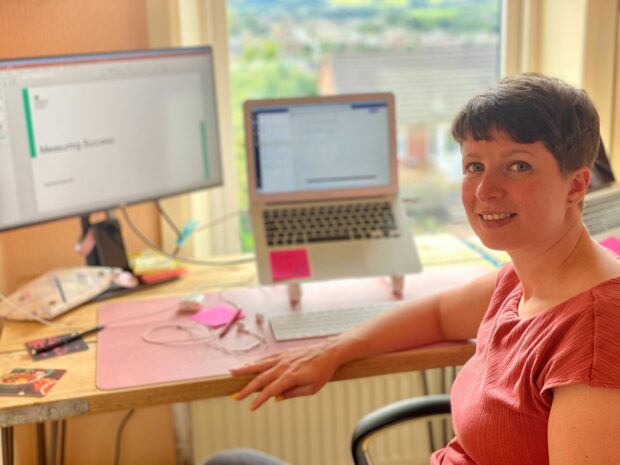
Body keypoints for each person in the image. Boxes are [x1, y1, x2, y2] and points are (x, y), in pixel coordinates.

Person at [205, 73, 620, 465]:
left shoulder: (596, 335)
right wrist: (332, 351)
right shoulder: (523, 275)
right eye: (474, 166)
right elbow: (439, 315)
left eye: (518, 166)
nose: (485, 191)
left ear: (576, 186)